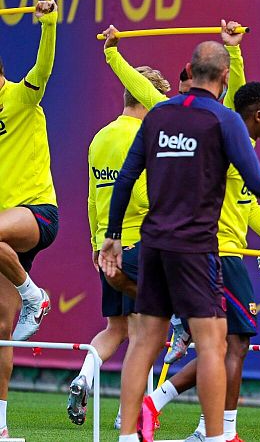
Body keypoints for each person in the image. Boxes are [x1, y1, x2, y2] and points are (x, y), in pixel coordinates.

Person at [99, 40, 260, 442]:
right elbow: (256, 180)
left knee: (144, 342)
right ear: (224, 76)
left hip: (153, 245)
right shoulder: (224, 120)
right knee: (212, 344)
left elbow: (125, 178)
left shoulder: (158, 114)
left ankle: (126, 436)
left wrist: (113, 236)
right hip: (195, 248)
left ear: (190, 71)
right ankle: (217, 436)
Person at [144, 82, 260, 442]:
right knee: (236, 344)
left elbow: (250, 210)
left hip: (215, 253)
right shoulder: (231, 147)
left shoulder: (241, 148)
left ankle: (161, 406)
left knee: (219, 346)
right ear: (258, 116)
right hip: (220, 256)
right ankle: (221, 431)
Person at [66, 60, 170, 426]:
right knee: (146, 332)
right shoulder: (145, 136)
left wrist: (96, 243)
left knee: (117, 328)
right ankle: (129, 413)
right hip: (141, 244)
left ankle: (84, 376)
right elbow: (142, 195)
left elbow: (93, 197)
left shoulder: (100, 137)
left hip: (108, 247)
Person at [0, 0, 59, 438]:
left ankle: (33, 296)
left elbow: (43, 66)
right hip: (5, 235)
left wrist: (49, 24)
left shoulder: (21, 96)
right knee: (2, 329)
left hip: (37, 213)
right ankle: (1, 427)